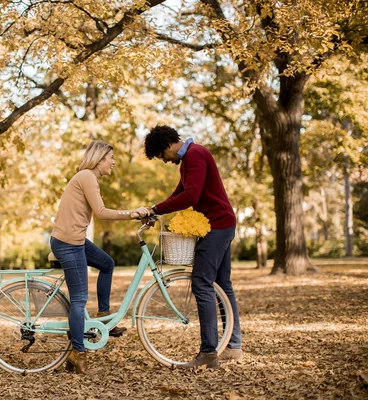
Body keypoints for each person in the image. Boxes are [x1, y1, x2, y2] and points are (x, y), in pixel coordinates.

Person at [143, 125, 242, 369]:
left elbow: (191, 197)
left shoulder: (195, 155)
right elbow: (180, 192)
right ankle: (233, 346)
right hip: (222, 223)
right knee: (221, 284)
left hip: (218, 225)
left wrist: (155, 209)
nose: (163, 161)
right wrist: (155, 208)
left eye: (160, 155)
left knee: (201, 282)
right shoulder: (190, 158)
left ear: (167, 146)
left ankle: (209, 353)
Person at [50, 141, 149, 375]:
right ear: (100, 158)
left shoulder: (88, 178)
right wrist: (133, 213)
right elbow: (102, 212)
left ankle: (104, 316)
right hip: (68, 243)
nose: (113, 162)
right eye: (111, 157)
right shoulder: (86, 176)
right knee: (79, 300)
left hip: (75, 240)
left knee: (107, 264)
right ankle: (78, 354)